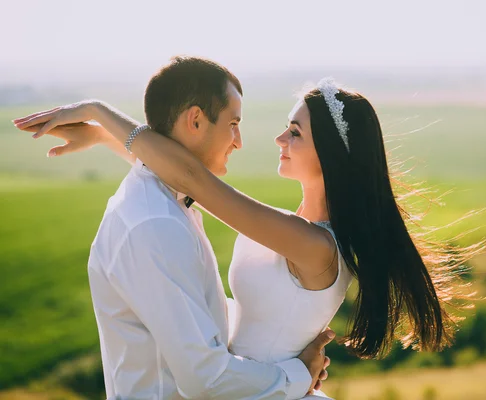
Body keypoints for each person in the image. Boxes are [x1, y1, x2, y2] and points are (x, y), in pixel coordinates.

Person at [14, 56, 477, 399]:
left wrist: (99, 113)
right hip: (256, 386)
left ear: (330, 159)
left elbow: (191, 179)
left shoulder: (315, 245)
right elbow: (181, 182)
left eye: (295, 133)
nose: (277, 139)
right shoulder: (294, 228)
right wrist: (101, 135)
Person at [15, 57, 334, 400]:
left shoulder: (166, 203)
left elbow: (199, 310)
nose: (239, 141)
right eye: (233, 123)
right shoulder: (156, 225)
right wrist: (297, 374)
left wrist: (100, 128)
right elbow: (206, 379)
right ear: (195, 120)